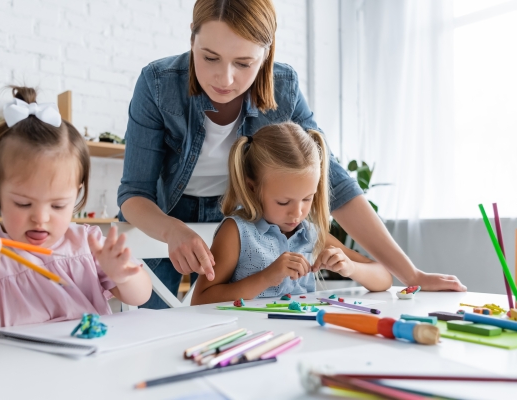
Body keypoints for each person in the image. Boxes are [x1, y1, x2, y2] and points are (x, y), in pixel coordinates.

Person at [118, 0, 465, 309]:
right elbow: (134, 194)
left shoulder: (283, 87)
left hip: (248, 210)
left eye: (244, 63)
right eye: (209, 57)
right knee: (150, 321)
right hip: (166, 214)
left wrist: (412, 273)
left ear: (266, 54)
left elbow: (337, 184)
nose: (225, 78)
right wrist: (171, 230)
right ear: (192, 39)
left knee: (224, 325)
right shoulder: (158, 83)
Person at [0, 87, 151, 335]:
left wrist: (124, 276)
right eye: (23, 203)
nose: (40, 218)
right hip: (9, 367)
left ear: (77, 192)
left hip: (85, 363)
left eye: (58, 205)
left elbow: (141, 296)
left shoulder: (88, 243)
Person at [191, 123, 392, 304]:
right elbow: (201, 300)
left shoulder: (310, 234)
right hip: (249, 338)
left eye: (307, 199)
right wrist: (266, 277)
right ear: (252, 188)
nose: (297, 213)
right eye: (283, 202)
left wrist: (351, 268)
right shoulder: (237, 232)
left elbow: (384, 277)